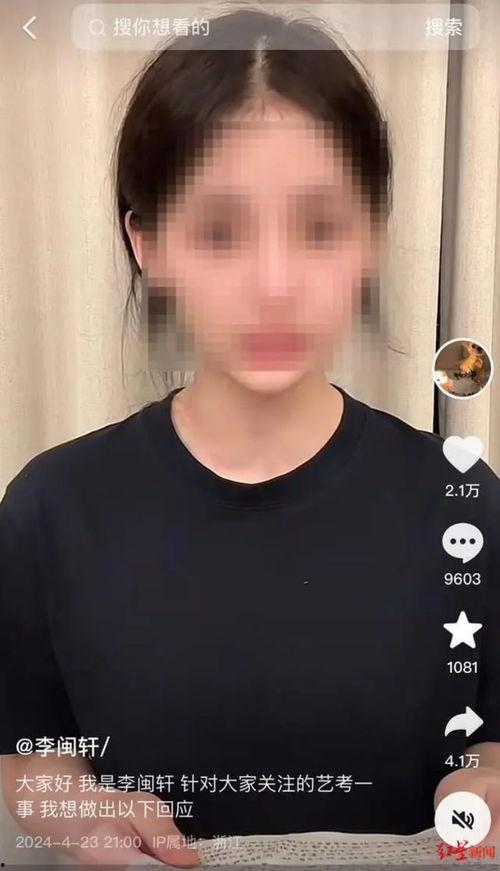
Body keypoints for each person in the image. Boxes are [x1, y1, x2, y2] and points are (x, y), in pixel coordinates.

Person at [2, 7, 500, 868]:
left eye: (320, 227)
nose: (274, 283)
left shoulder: (463, 502)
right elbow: (26, 748)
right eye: (220, 232)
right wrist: (76, 813)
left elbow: (491, 738)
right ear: (148, 242)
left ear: (372, 236)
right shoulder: (51, 509)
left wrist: (486, 780)